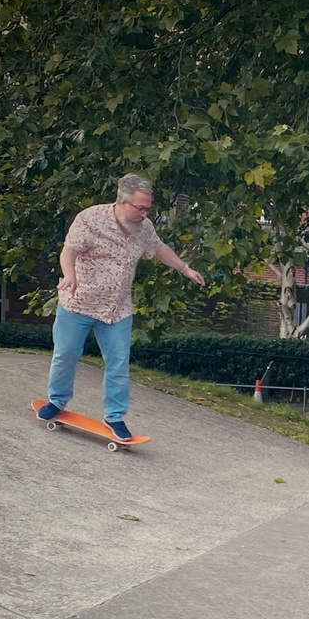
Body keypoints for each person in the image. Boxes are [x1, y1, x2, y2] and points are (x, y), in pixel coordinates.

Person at [37, 173, 204, 439]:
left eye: (148, 208)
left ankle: (114, 417)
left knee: (118, 364)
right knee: (66, 354)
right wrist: (69, 274)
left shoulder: (144, 227)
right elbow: (69, 251)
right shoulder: (90, 219)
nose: (145, 213)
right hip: (78, 303)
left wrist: (185, 269)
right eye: (140, 208)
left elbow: (159, 248)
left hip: (117, 310)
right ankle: (57, 401)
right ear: (123, 203)